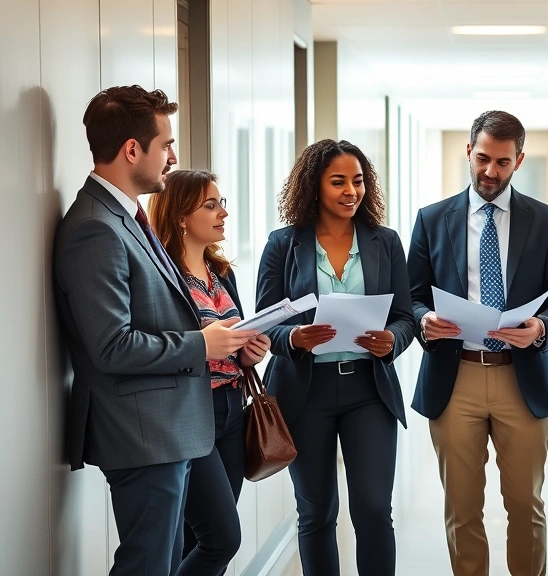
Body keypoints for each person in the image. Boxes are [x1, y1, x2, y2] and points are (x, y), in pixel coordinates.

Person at [53, 86, 257, 576]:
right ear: (131, 150)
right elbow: (111, 345)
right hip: (142, 431)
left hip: (169, 426)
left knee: (166, 560)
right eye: (166, 144)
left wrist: (227, 341)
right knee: (147, 564)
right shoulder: (95, 227)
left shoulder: (126, 218)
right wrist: (203, 344)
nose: (173, 156)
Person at [407, 110, 548, 576]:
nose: (490, 171)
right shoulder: (432, 219)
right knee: (462, 512)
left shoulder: (544, 221)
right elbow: (412, 298)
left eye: (502, 162)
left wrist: (540, 328)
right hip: (453, 375)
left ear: (518, 161)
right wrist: (426, 321)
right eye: (482, 158)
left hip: (520, 380)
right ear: (468, 151)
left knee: (525, 506)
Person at [257, 139, 415, 576]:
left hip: (369, 389)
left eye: (359, 181)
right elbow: (266, 323)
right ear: (314, 186)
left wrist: (392, 340)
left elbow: (405, 317)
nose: (352, 191)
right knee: (316, 512)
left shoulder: (385, 242)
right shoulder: (282, 244)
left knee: (372, 509)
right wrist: (294, 338)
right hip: (305, 393)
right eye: (339, 182)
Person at [149, 170, 271, 575]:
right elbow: (168, 347)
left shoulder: (222, 273)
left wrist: (250, 354)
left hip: (232, 410)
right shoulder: (163, 278)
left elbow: (230, 345)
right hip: (189, 413)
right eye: (211, 205)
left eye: (222, 203)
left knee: (194, 537)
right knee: (222, 538)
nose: (224, 213)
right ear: (181, 216)